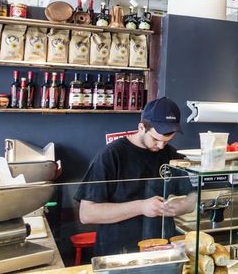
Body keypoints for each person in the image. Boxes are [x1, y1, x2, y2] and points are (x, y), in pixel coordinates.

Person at [74, 97, 196, 256]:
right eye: (156, 139)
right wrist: (141, 207)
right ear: (141, 127)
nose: (160, 146)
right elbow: (87, 214)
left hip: (162, 250)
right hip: (119, 252)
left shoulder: (172, 156)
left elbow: (192, 199)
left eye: (166, 141)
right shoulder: (111, 155)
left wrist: (181, 206)